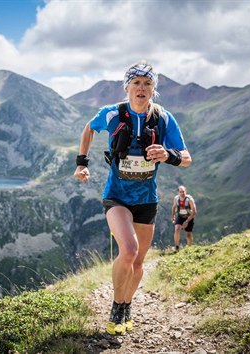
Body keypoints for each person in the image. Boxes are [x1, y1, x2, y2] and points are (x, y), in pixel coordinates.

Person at [73, 61, 191, 336]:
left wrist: (168, 155)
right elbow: (89, 128)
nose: (141, 88)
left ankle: (127, 305)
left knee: (138, 262)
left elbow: (186, 158)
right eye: (136, 83)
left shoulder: (163, 118)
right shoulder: (112, 113)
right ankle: (116, 305)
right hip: (116, 196)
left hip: (146, 199)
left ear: (153, 90)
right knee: (128, 250)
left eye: (147, 84)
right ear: (127, 86)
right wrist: (81, 162)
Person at [171, 185, 197, 251]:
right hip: (180, 216)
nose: (182, 193)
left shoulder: (190, 200)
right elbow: (174, 207)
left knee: (188, 234)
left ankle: (189, 249)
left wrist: (187, 221)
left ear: (186, 191)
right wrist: (173, 216)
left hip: (189, 217)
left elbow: (194, 212)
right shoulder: (176, 198)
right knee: (176, 229)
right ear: (178, 192)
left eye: (183, 191)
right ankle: (177, 247)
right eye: (180, 192)